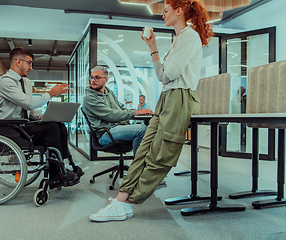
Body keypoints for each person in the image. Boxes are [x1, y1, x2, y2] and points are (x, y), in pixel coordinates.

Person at [89, 0, 214, 222]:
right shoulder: (178, 39)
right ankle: (121, 199)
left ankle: (126, 201)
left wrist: (165, 69)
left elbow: (169, 74)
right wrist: (152, 46)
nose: (163, 15)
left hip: (180, 96)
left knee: (160, 155)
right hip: (167, 97)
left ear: (179, 10)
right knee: (144, 150)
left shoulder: (189, 36)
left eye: (166, 11)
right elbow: (161, 75)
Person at [0, 47, 83, 188]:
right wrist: (51, 93)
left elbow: (30, 109)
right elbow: (28, 103)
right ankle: (55, 175)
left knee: (59, 125)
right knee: (52, 128)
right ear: (18, 61)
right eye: (29, 63)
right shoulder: (5, 82)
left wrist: (42, 116)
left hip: (22, 125)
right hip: (8, 128)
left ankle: (61, 166)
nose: (31, 67)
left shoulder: (26, 82)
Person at [82, 66, 153, 157]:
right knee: (142, 130)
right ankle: (138, 167)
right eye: (92, 77)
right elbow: (111, 115)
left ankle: (143, 163)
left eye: (97, 77)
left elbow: (121, 108)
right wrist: (136, 113)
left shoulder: (109, 93)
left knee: (150, 130)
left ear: (106, 79)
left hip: (116, 128)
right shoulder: (89, 98)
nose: (93, 80)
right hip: (105, 133)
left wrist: (138, 111)